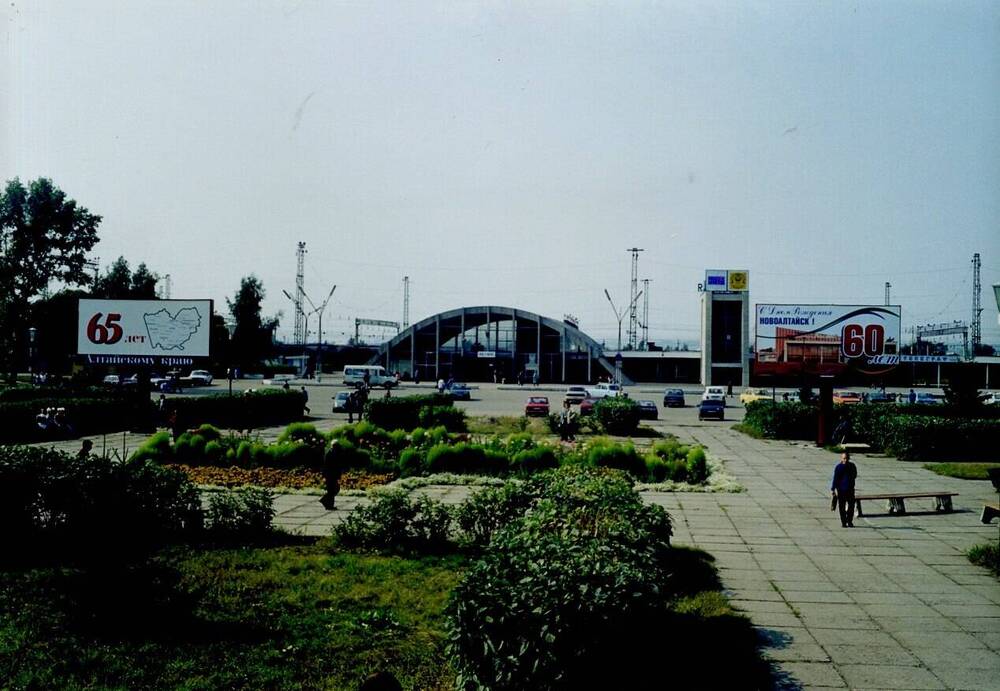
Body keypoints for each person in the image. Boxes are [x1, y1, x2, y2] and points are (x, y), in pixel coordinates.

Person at [831, 450, 858, 528]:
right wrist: (833, 489)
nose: (845, 460)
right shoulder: (839, 467)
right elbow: (835, 478)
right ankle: (843, 522)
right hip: (841, 490)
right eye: (844, 458)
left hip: (850, 489)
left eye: (846, 458)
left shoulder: (852, 466)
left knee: (851, 506)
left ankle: (849, 521)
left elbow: (855, 475)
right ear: (841, 459)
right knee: (842, 507)